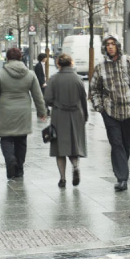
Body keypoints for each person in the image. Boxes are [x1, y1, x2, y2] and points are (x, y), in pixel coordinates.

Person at [90, 35, 130, 192]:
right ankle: (121, 178)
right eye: (107, 44)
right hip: (110, 112)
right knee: (116, 144)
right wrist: (100, 107)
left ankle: (122, 170)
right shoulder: (101, 67)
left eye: (112, 44)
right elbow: (94, 88)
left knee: (125, 143)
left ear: (117, 46)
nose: (110, 47)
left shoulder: (129, 62)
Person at [0, 48, 47, 180]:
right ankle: (19, 168)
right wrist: (42, 111)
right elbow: (37, 95)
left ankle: (10, 160)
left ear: (7, 59)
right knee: (21, 140)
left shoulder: (1, 74)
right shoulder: (30, 74)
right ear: (21, 58)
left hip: (6, 111)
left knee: (5, 138)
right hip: (23, 111)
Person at [44, 54, 88, 188]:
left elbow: (47, 99)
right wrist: (85, 115)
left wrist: (56, 103)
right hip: (76, 115)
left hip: (59, 116)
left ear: (58, 64)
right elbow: (83, 98)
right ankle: (75, 166)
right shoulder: (78, 79)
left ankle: (62, 178)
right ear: (71, 63)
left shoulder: (54, 79)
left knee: (60, 149)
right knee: (74, 146)